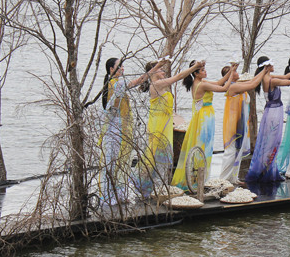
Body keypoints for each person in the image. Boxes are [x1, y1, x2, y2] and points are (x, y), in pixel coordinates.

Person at [99, 57, 165, 205]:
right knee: (117, 161)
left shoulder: (113, 83)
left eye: (122, 66)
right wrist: (157, 67)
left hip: (114, 127)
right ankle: (113, 196)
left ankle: (116, 195)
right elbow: (139, 80)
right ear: (111, 69)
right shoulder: (118, 83)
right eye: (119, 66)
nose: (122, 68)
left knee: (116, 161)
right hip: (117, 128)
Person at [137, 58, 204, 197]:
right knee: (158, 156)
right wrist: (194, 67)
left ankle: (160, 188)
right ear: (154, 71)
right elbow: (179, 76)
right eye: (160, 69)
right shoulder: (157, 84)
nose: (163, 72)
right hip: (158, 124)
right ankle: (156, 189)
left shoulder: (161, 84)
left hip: (165, 122)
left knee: (163, 156)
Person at [172, 60, 238, 190]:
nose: (205, 71)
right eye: (202, 70)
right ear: (196, 73)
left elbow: (219, 83)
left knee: (203, 146)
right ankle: (197, 180)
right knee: (203, 146)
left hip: (204, 115)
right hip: (204, 117)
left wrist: (231, 70)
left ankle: (200, 178)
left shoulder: (201, 82)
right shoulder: (201, 85)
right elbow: (224, 88)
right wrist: (232, 74)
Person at [245, 56, 290, 183]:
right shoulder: (271, 80)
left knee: (271, 141)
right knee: (272, 141)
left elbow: (286, 77)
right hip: (273, 112)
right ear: (267, 67)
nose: (273, 65)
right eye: (271, 64)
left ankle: (268, 169)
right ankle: (266, 170)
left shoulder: (268, 77)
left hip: (273, 110)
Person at [219, 64, 270, 184]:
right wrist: (264, 71)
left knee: (238, 150)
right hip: (233, 123)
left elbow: (252, 81)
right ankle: (223, 179)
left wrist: (263, 71)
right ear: (230, 76)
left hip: (241, 122)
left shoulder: (237, 84)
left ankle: (233, 177)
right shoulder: (233, 87)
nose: (237, 73)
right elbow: (252, 85)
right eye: (235, 72)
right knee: (231, 151)